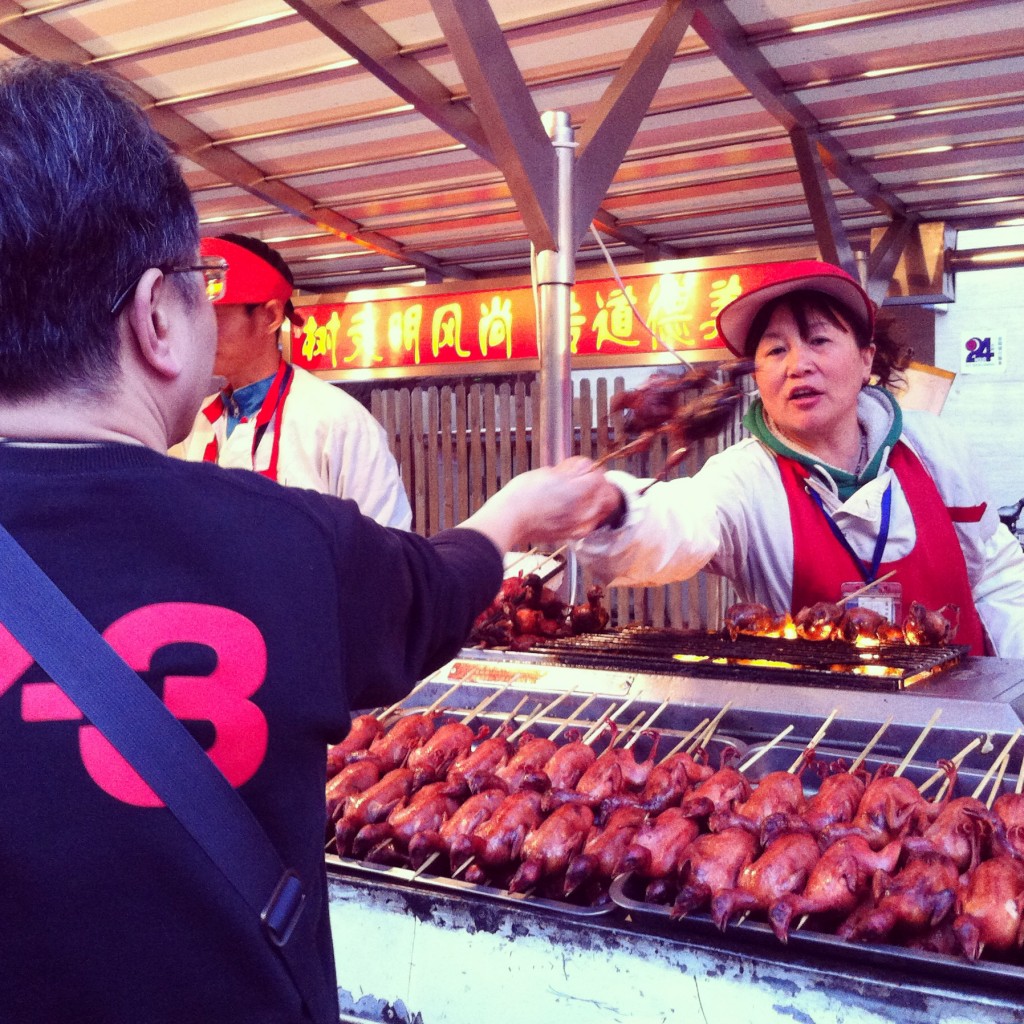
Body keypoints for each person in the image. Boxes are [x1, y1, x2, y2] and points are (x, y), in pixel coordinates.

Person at [0, 57, 621, 1024]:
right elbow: (430, 583)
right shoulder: (289, 547)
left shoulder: (324, 443)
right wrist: (512, 518)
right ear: (157, 317)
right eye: (199, 285)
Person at [577, 259, 1024, 658]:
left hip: (970, 725)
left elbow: (998, 574)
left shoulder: (936, 451)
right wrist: (609, 507)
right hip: (818, 737)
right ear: (756, 374)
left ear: (867, 359)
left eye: (818, 340)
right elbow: (680, 522)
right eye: (775, 349)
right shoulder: (745, 478)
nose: (797, 365)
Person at [179, 232, 413, 529]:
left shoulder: (338, 421)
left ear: (271, 316)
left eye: (214, 316)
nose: (199, 333)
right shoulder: (192, 422)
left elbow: (389, 544)